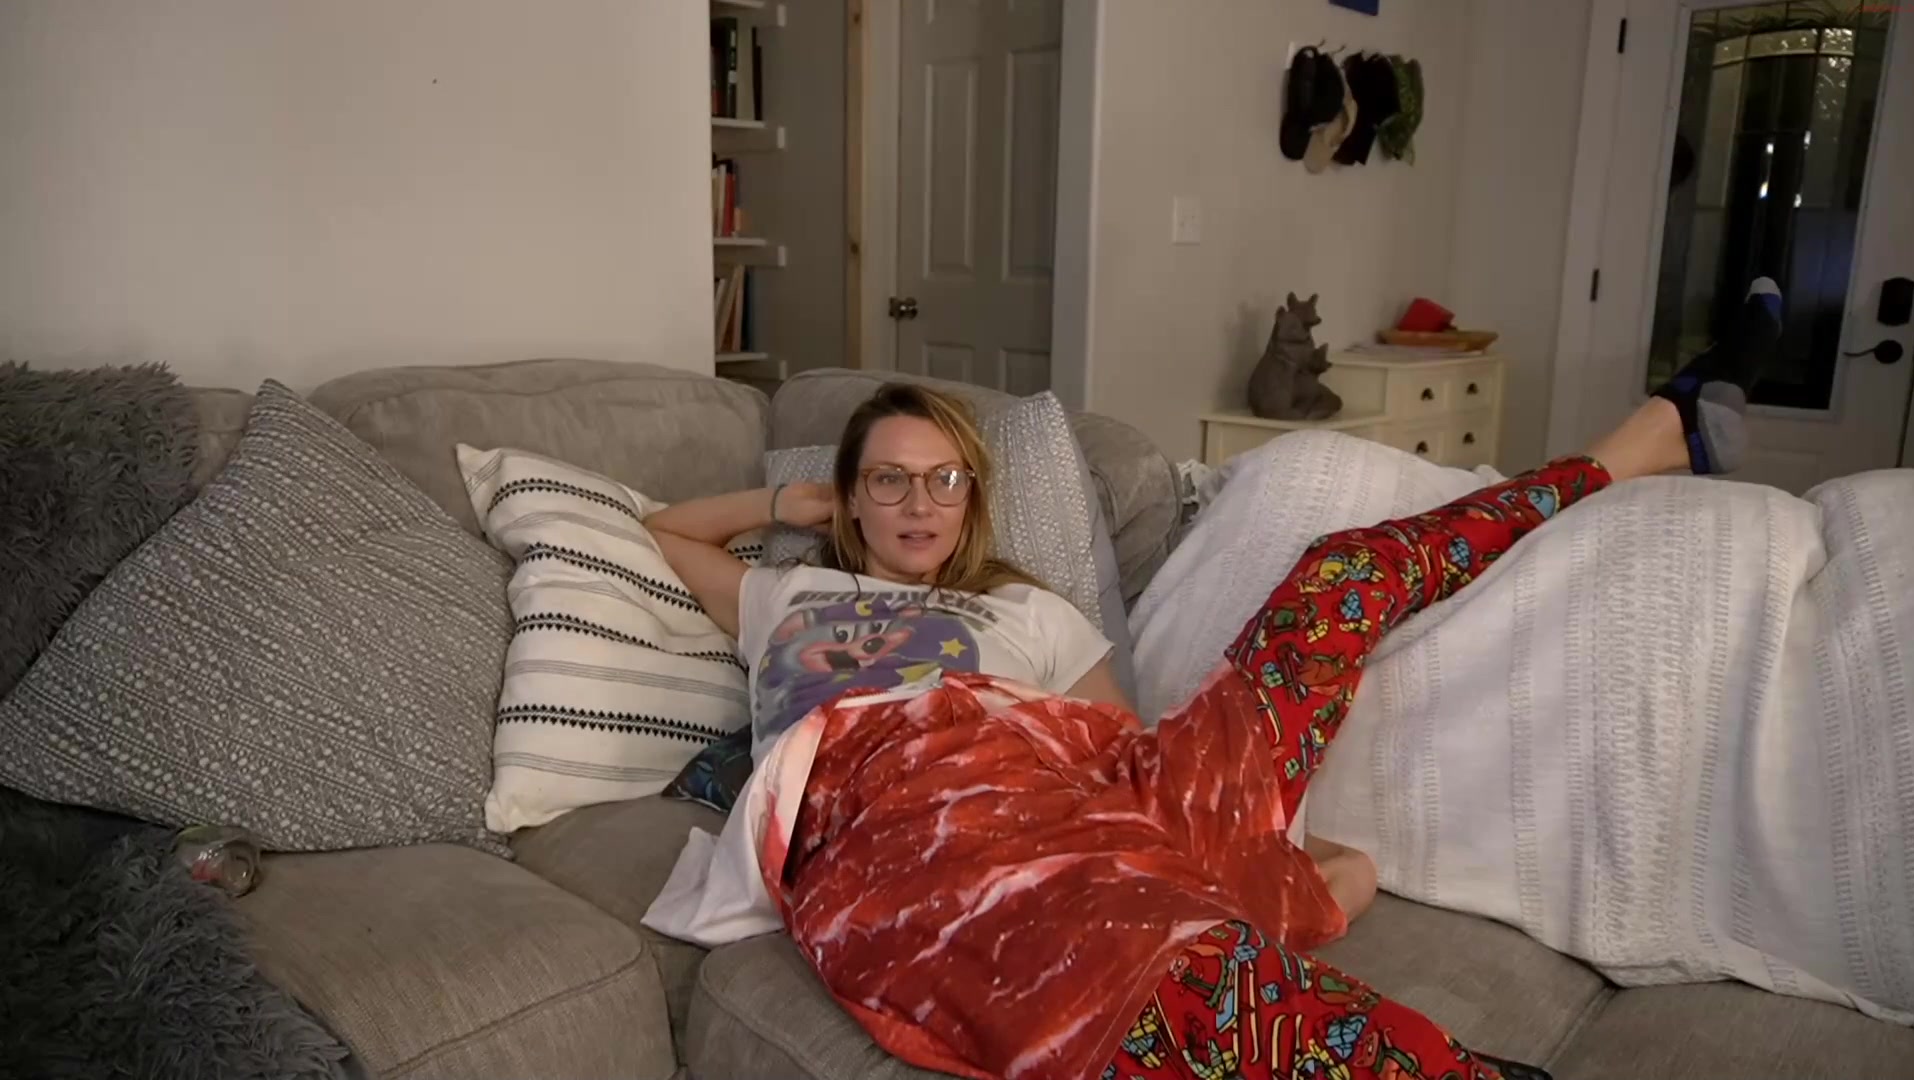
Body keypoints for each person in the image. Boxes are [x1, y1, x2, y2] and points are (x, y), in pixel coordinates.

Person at [644, 283, 1783, 1080]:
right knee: (1146, 957)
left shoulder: (1030, 613)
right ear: (850, 498)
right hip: (899, 800)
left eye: (943, 479)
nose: (916, 503)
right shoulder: (795, 599)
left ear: (971, 498)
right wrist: (790, 507)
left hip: (1066, 790)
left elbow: (1126, 765)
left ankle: (1635, 445)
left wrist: (1241, 845)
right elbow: (663, 532)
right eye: (887, 482)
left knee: (1341, 575)